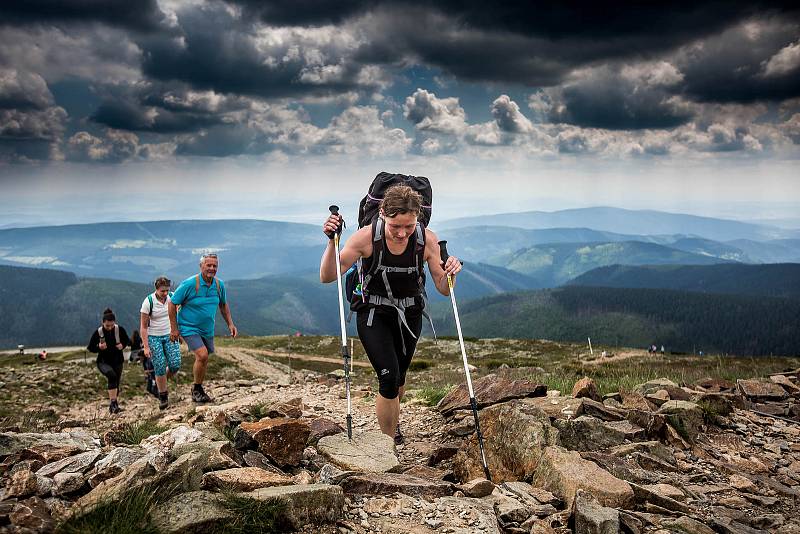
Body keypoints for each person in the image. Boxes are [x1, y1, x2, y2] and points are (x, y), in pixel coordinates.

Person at [320, 184, 461, 444]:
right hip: (373, 312)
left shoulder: (426, 240)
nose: (402, 233)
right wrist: (332, 242)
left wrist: (451, 272)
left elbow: (443, 288)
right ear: (383, 213)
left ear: (417, 217)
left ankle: (393, 422)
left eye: (409, 226)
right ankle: (387, 445)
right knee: (388, 378)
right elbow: (328, 275)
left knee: (399, 379)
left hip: (410, 314)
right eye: (396, 226)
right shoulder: (365, 238)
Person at [168, 253, 237, 403]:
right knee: (202, 355)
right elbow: (172, 303)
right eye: (209, 265)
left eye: (215, 266)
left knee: (204, 359)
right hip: (188, 326)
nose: (212, 268)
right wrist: (174, 329)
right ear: (201, 266)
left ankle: (197, 388)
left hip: (207, 329)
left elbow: (223, 305)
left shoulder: (219, 285)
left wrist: (230, 324)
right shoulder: (190, 284)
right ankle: (197, 389)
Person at [140, 277, 181, 409]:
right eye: (162, 291)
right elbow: (143, 326)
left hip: (170, 334)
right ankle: (163, 396)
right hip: (154, 337)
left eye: (167, 290)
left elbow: (179, 311)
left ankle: (160, 382)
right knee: (159, 366)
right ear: (156, 289)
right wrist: (146, 346)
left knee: (175, 364)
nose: (165, 293)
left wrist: (178, 330)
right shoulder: (148, 302)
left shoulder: (172, 297)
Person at [87, 308, 131, 414]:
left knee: (116, 383)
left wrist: (122, 345)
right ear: (103, 323)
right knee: (112, 376)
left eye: (112, 325)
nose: (110, 328)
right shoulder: (98, 332)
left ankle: (113, 406)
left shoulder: (119, 329)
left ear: (114, 322)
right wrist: (99, 347)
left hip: (117, 361)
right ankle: (113, 404)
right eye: (107, 326)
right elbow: (90, 347)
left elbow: (128, 341)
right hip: (103, 361)